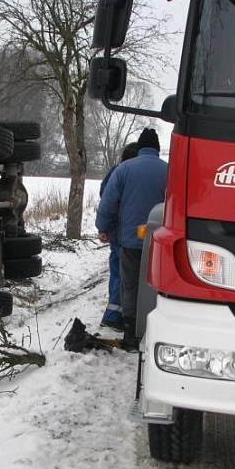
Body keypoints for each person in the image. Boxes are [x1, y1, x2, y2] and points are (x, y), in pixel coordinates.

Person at [96, 128, 168, 350]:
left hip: (130, 240)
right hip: (160, 241)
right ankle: (154, 329)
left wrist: (103, 227)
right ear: (156, 149)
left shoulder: (124, 169)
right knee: (157, 284)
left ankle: (130, 334)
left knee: (130, 286)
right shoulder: (171, 171)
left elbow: (108, 203)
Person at [99, 142, 139, 331]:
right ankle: (114, 316)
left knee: (117, 273)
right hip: (123, 234)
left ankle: (115, 313)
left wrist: (105, 228)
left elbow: (105, 198)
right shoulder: (126, 173)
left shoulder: (116, 172)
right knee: (123, 276)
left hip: (116, 233)